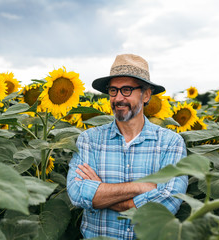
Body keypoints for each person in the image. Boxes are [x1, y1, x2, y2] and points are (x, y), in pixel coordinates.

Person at [67, 54, 188, 239]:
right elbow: (77, 194)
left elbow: (166, 206)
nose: (118, 98)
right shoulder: (89, 140)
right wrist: (142, 187)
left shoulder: (170, 143)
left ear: (146, 95)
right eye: (113, 91)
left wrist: (100, 192)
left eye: (127, 90)